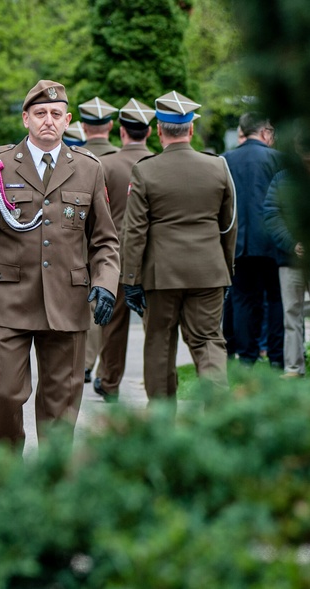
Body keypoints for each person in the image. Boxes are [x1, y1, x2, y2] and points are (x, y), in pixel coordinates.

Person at [0, 80, 119, 451]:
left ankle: (52, 489)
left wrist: (106, 282)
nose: (48, 121)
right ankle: (7, 478)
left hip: (67, 302)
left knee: (62, 402)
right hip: (9, 299)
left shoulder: (89, 169)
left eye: (56, 114)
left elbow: (104, 239)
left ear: (67, 120)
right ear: (26, 118)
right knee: (6, 393)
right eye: (40, 113)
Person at [121, 91, 237, 414]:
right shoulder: (218, 167)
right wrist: (226, 269)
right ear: (191, 130)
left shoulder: (145, 171)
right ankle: (218, 417)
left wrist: (130, 278)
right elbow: (228, 226)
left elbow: (134, 232)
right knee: (209, 343)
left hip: (162, 276)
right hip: (209, 271)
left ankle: (162, 421)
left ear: (159, 129)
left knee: (159, 344)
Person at [91, 98, 155, 401]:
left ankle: (110, 380)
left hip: (115, 255)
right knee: (155, 324)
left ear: (121, 131)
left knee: (112, 324)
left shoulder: (107, 164)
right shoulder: (157, 162)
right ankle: (157, 383)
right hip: (152, 257)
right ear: (150, 131)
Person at [222, 113, 283, 369]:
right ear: (265, 132)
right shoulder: (277, 159)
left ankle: (246, 359)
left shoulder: (226, 160)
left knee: (242, 300)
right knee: (276, 299)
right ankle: (278, 358)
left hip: (239, 241)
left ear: (243, 131)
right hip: (273, 240)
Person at [78, 96, 120, 384]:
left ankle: (84, 363)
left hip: (78, 247)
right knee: (113, 317)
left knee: (88, 308)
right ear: (110, 125)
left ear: (82, 126)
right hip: (114, 248)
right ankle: (108, 372)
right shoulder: (121, 161)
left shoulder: (75, 159)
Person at [263, 141, 310, 378]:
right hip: (290, 258)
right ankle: (294, 367)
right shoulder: (282, 178)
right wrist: (293, 243)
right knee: (291, 314)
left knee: (292, 314)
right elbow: (271, 214)